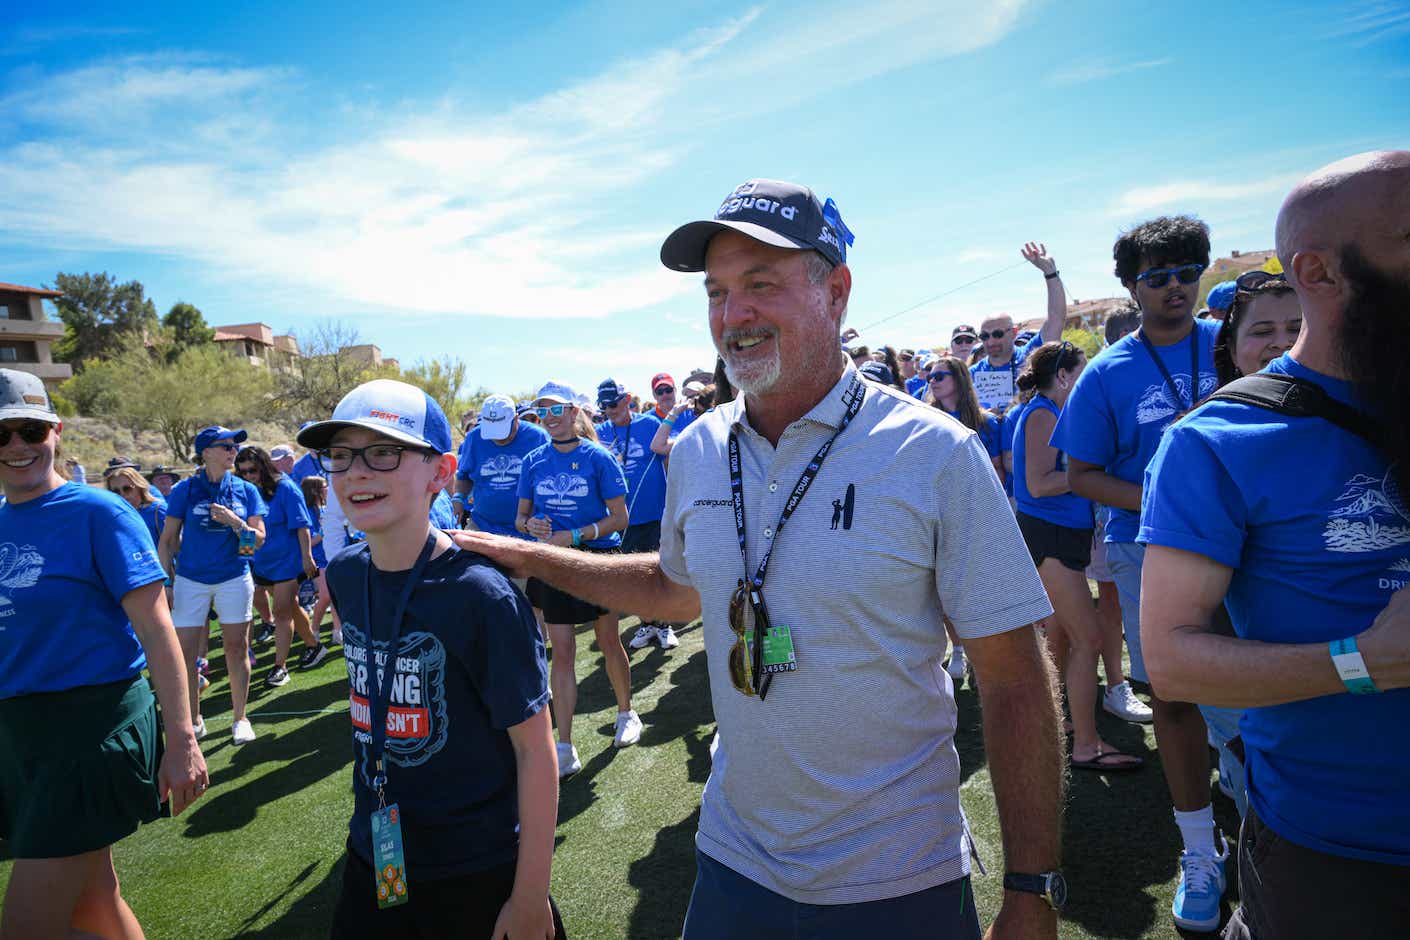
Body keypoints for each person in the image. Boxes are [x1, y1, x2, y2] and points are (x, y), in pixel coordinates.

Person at [461, 177, 1064, 939]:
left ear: (835, 292)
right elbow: (676, 588)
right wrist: (530, 557)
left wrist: (1030, 889)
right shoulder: (701, 447)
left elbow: (1014, 679)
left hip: (897, 874)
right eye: (716, 292)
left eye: (761, 284)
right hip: (734, 860)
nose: (732, 315)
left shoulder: (935, 453)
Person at [1139, 151, 1410, 939]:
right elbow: (1175, 660)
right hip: (1344, 856)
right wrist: (1364, 659)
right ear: (1320, 271)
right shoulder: (1220, 440)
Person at [296, 378, 564, 939]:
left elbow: (535, 753)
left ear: (441, 472)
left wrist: (530, 896)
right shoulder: (344, 573)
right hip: (375, 850)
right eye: (340, 456)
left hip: (478, 867)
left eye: (384, 452)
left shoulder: (481, 596)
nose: (358, 472)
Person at [1052, 214, 1224, 932]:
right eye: (1157, 277)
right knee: (1178, 698)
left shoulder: (1236, 342)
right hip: (1147, 550)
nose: (1176, 288)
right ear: (1131, 286)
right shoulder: (1108, 372)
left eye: (1187, 271)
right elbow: (1080, 474)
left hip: (1255, 545)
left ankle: (1260, 820)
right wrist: (1167, 498)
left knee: (1274, 688)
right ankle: (1198, 853)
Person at [0, 369, 208, 939]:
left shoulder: (99, 513)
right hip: (22, 732)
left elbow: (158, 630)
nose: (17, 447)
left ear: (56, 433)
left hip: (92, 727)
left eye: (29, 431)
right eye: (2, 436)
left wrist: (184, 736)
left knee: (25, 927)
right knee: (95, 901)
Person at [1012, 343, 1141, 773]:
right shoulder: (1043, 413)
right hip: (1050, 536)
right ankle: (1086, 745)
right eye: (1081, 373)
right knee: (1089, 639)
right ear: (1064, 376)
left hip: (1062, 536)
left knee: (1064, 637)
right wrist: (1093, 476)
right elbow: (1038, 482)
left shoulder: (1051, 411)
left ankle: (1058, 721)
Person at [517, 380, 639, 777]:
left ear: (574, 412)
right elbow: (520, 518)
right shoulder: (533, 461)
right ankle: (565, 744)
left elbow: (621, 519)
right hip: (553, 561)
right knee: (563, 650)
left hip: (596, 560)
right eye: (543, 412)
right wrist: (530, 524)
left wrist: (576, 535)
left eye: (557, 410)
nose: (550, 419)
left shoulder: (598, 458)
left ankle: (626, 713)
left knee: (608, 640)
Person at [158, 425, 267, 745]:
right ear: (205, 453)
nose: (233, 451)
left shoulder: (246, 490)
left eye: (234, 447)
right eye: (226, 446)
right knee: (186, 653)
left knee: (236, 648)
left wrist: (235, 523)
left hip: (234, 576)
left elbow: (254, 545)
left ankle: (240, 718)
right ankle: (194, 718)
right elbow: (167, 541)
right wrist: (168, 582)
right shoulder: (185, 490)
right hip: (191, 580)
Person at [596, 378, 677, 651]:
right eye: (605, 405)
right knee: (635, 576)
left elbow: (669, 464)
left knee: (661, 571)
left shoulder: (649, 424)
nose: (611, 409)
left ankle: (664, 625)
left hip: (655, 511)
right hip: (621, 519)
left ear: (627, 398)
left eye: (615, 402)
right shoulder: (600, 432)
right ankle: (647, 623)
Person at [237, 445, 325, 684]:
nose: (248, 475)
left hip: (287, 561)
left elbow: (302, 525)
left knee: (281, 612)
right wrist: (246, 556)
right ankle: (314, 646)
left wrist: (307, 557)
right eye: (242, 471)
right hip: (262, 562)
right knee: (291, 608)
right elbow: (248, 526)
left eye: (252, 470)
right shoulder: (245, 491)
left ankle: (280, 667)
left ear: (263, 465)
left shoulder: (285, 487)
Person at [969, 243, 1069, 411]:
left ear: (1014, 332)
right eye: (984, 336)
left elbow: (1056, 318)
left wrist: (1050, 273)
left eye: (998, 334)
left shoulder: (1032, 356)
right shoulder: (972, 374)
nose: (991, 341)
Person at [454, 394, 551, 534]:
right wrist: (458, 497)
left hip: (527, 530)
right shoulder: (474, 438)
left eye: (502, 430)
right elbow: (464, 475)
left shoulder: (538, 438)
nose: (498, 438)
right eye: (492, 431)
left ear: (516, 419)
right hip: (482, 525)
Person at [1212, 271, 1302, 387]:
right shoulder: (1215, 406)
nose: (1282, 343)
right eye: (1263, 332)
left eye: (1297, 329)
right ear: (1233, 350)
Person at [106, 465, 167, 546]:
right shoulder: (115, 515)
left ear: (139, 486)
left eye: (127, 488)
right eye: (116, 491)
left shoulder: (158, 510)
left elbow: (173, 545)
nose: (122, 495)